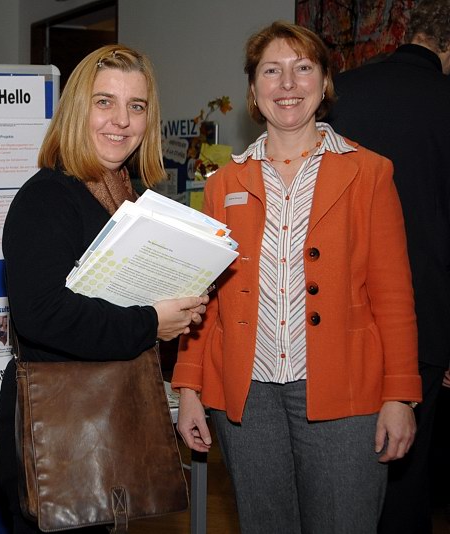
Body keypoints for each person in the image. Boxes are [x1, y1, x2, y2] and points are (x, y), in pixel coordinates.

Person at [173, 21, 422, 534]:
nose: (287, 84)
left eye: (302, 68)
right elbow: (204, 296)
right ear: (254, 89)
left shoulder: (369, 173)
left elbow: (394, 296)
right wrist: (189, 386)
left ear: (324, 82)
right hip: (248, 398)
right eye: (272, 71)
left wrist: (400, 395)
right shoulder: (224, 183)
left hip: (345, 391)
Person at [0, 43, 208, 534]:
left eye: (137, 106)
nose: (122, 120)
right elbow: (42, 315)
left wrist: (181, 303)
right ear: (77, 110)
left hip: (110, 415)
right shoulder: (45, 198)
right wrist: (151, 322)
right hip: (59, 426)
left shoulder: (132, 201)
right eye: (104, 102)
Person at [325, 2, 450, 531]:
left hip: (332, 311)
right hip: (424, 318)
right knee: (406, 474)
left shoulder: (339, 92)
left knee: (332, 470)